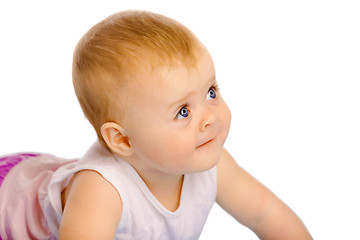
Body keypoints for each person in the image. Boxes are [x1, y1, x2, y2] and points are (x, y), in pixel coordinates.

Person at [0, 10, 312, 239]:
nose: (209, 118)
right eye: (183, 112)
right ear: (123, 141)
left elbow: (266, 213)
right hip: (9, 207)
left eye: (211, 92)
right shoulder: (101, 190)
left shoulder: (210, 163)